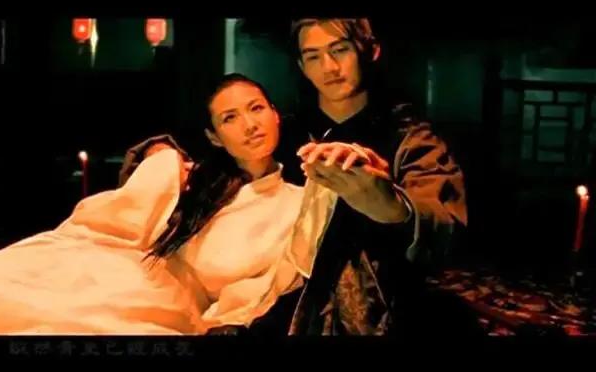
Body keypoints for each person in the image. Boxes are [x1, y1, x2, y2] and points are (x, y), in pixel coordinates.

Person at [121, 18, 470, 336]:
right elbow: (204, 151)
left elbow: (444, 222)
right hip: (259, 296)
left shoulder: (408, 138)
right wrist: (158, 155)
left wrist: (392, 206)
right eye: (313, 56)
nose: (329, 67)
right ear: (302, 65)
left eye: (340, 50)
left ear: (370, 51)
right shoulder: (283, 132)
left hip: (365, 306)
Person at [0, 74, 337, 334]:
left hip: (168, 307)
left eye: (256, 108)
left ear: (275, 114)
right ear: (214, 137)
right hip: (119, 271)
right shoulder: (189, 179)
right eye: (230, 118)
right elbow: (124, 218)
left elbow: (262, 289)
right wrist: (161, 160)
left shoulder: (297, 204)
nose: (250, 125)